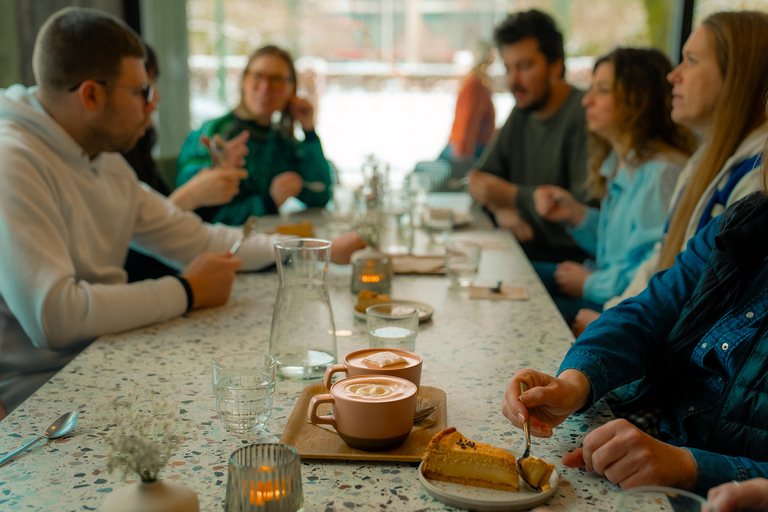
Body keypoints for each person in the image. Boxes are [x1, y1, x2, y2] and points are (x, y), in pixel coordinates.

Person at [0, 7, 363, 414]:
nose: (152, 105)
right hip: (43, 398)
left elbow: (202, 239)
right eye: (142, 91)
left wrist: (315, 250)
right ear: (91, 95)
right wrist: (187, 291)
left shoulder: (100, 160)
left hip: (109, 359)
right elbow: (55, 318)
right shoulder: (12, 159)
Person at [501, 127, 768, 493]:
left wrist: (690, 466)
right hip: (649, 432)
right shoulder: (748, 221)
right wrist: (575, 382)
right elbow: (648, 309)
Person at [571, 11, 768, 336]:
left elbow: (695, 296)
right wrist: (613, 317)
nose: (673, 76)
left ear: (737, 75)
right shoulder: (704, 161)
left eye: (691, 60)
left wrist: (612, 324)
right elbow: (664, 260)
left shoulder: (755, 179)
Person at [531, 48, 695, 324]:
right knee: (522, 275)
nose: (587, 100)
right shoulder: (620, 162)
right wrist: (577, 215)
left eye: (603, 90)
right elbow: (619, 249)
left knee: (529, 308)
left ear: (638, 100)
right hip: (605, 285)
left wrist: (591, 283)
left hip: (621, 304)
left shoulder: (661, 173)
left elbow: (656, 272)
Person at [466, 9, 589, 263]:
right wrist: (502, 209)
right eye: (508, 68)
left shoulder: (585, 116)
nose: (513, 81)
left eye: (524, 66)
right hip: (520, 252)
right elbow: (478, 181)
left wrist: (510, 196)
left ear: (556, 66)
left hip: (566, 265)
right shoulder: (522, 111)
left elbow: (581, 219)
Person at [122, 43, 249, 282]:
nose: (156, 98)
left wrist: (309, 132)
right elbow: (131, 254)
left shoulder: (139, 142)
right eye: (144, 89)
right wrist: (194, 194)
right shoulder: (216, 129)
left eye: (279, 80)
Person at [176, 44, 333, 225]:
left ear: (291, 89)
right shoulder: (216, 135)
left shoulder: (281, 141)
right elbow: (195, 216)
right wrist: (268, 203)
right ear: (244, 81)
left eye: (277, 79)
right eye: (257, 76)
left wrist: (309, 131)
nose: (265, 87)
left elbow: (320, 194)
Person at [439, 43, 496, 164]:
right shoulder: (476, 85)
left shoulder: (479, 83)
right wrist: (463, 154)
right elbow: (468, 121)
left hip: (467, 146)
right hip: (467, 148)